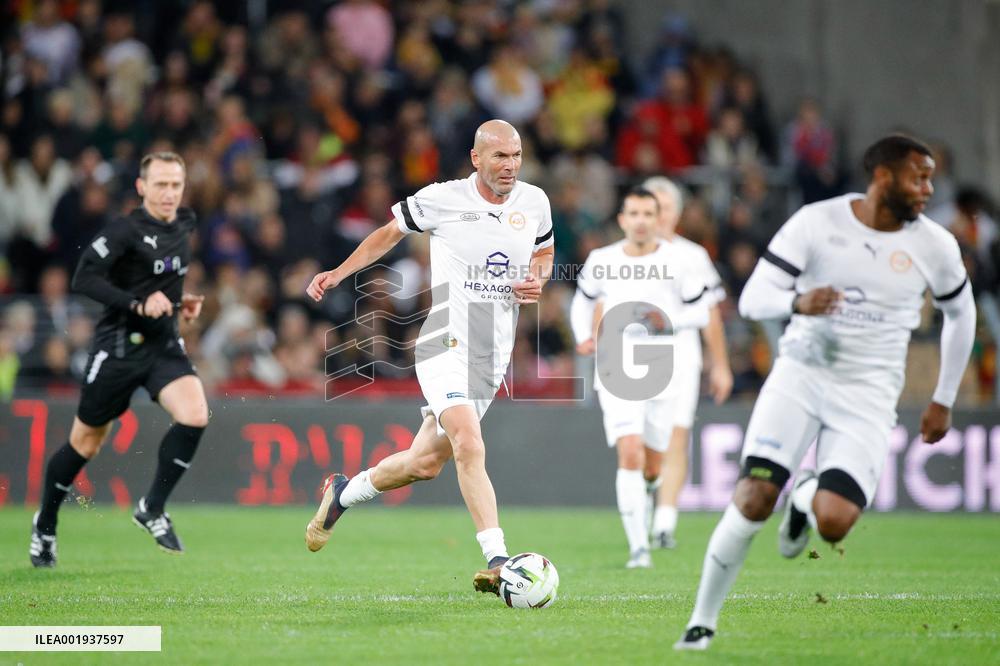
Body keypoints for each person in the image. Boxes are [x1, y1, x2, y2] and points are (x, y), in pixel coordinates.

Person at [675, 135, 976, 650]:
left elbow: (961, 313)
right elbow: (753, 299)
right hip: (802, 374)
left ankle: (804, 499)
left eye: (930, 178)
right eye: (918, 177)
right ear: (883, 177)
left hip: (869, 391)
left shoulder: (935, 244)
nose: (928, 189)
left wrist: (943, 397)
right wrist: (797, 302)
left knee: (834, 523)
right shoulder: (817, 222)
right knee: (753, 497)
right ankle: (700, 624)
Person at [303, 120, 554, 594]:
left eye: (517, 155)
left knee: (424, 464)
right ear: (476, 158)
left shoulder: (535, 202)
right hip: (445, 343)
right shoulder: (444, 198)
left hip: (491, 356)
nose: (511, 165)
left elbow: (544, 252)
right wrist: (338, 273)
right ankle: (499, 559)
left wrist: (537, 279)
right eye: (500, 156)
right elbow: (387, 234)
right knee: (469, 442)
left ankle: (342, 493)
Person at [30, 152, 209, 568]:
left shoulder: (185, 222)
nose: (169, 193)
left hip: (163, 344)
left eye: (176, 185)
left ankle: (152, 507)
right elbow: (84, 277)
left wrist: (181, 302)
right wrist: (137, 302)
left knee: (195, 414)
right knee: (85, 444)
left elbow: (163, 276)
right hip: (118, 349)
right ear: (142, 187)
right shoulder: (125, 231)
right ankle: (45, 524)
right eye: (161, 184)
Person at [570, 187, 710, 568]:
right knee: (629, 449)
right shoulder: (602, 259)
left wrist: (663, 321)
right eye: (634, 213)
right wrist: (583, 335)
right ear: (622, 220)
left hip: (664, 362)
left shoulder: (680, 261)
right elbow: (582, 301)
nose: (642, 221)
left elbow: (702, 311)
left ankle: (649, 488)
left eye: (649, 213)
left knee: (653, 462)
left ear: (658, 218)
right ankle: (639, 549)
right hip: (616, 359)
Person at [643, 176, 732, 549]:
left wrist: (720, 364)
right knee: (643, 440)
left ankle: (664, 523)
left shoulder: (693, 256)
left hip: (681, 352)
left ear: (677, 213)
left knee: (677, 435)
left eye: (666, 208)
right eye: (653, 207)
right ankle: (643, 503)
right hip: (636, 355)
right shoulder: (622, 255)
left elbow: (710, 314)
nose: (660, 215)